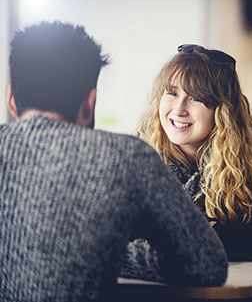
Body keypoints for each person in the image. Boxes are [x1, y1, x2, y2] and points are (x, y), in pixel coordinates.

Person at [0, 23, 228, 302]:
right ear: (89, 103)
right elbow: (206, 264)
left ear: (10, 99)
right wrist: (103, 250)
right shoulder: (129, 157)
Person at [138, 44, 252, 261]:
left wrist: (169, 243)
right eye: (172, 93)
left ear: (222, 109)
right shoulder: (143, 149)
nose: (179, 109)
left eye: (195, 98)